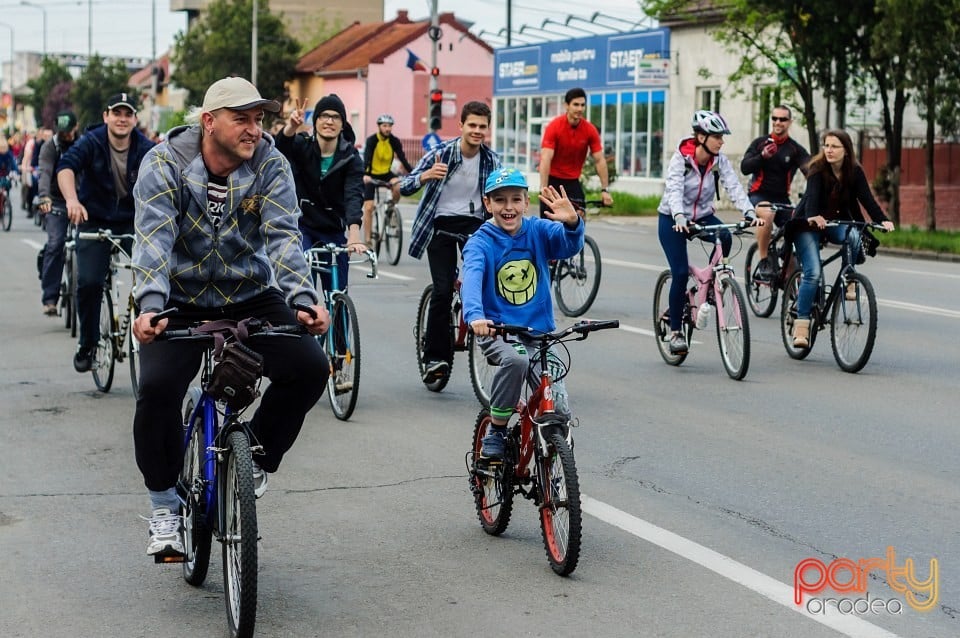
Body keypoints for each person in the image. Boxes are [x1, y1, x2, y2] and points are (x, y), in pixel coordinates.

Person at [131, 76, 331, 557]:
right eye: (241, 119)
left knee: (310, 368)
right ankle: (163, 506)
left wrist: (303, 300)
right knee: (157, 389)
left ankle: (256, 454)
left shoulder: (271, 166)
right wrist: (151, 305)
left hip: (250, 293)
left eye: (259, 119)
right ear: (209, 121)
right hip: (179, 297)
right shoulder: (164, 164)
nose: (253, 130)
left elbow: (284, 237)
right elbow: (153, 241)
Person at [462, 169, 583, 458]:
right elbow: (472, 279)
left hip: (538, 333)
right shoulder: (481, 241)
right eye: (500, 200)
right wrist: (476, 317)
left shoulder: (538, 230)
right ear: (487, 203)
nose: (508, 207)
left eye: (516, 199)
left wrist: (573, 223)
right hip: (499, 331)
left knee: (559, 404)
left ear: (525, 203)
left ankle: (553, 465)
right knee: (516, 360)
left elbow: (568, 244)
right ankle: (498, 429)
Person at [401, 100, 501, 382]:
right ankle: (435, 358)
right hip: (441, 226)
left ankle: (494, 343)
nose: (477, 131)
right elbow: (405, 185)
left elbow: (503, 195)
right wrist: (425, 175)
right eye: (472, 125)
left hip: (475, 226)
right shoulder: (441, 153)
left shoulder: (492, 161)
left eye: (483, 126)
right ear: (461, 126)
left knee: (487, 284)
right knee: (443, 291)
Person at [58, 92, 155, 373]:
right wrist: (72, 200)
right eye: (117, 113)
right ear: (106, 117)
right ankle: (87, 342)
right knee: (89, 282)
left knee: (157, 276)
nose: (122, 119)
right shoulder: (91, 141)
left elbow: (168, 173)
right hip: (94, 219)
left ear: (135, 119)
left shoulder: (146, 148)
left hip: (132, 221)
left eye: (128, 114)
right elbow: (66, 168)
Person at [657, 110, 762, 355]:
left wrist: (749, 212)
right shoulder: (681, 159)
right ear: (701, 137)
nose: (721, 141)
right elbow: (673, 190)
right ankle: (675, 334)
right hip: (672, 219)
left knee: (725, 235)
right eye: (717, 136)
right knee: (680, 272)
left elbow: (734, 187)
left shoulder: (719, 161)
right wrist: (679, 216)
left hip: (702, 215)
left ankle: (713, 280)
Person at [789, 129, 894, 348]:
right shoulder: (817, 169)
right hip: (807, 224)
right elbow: (811, 200)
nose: (829, 150)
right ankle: (801, 325)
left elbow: (867, 200)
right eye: (826, 145)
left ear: (846, 150)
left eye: (834, 146)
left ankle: (849, 279)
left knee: (854, 235)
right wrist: (813, 216)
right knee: (813, 273)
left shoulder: (854, 171)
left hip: (833, 223)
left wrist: (882, 220)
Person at [276, 94, 366, 292]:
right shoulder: (302, 145)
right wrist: (291, 126)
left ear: (343, 124)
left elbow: (354, 194)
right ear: (315, 121)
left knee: (338, 291)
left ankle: (339, 319)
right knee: (303, 286)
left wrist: (354, 235)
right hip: (304, 226)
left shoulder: (351, 157)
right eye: (323, 116)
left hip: (334, 228)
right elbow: (280, 150)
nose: (329, 121)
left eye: (335, 117)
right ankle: (302, 317)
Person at [740, 104, 810, 278]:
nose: (778, 122)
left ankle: (792, 285)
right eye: (775, 118)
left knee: (799, 225)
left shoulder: (794, 149)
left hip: (782, 198)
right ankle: (764, 260)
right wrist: (762, 156)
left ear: (790, 122)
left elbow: (811, 171)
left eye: (783, 119)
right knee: (768, 214)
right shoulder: (760, 143)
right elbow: (744, 168)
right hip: (758, 195)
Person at [538, 87, 613, 214]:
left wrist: (604, 190)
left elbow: (600, 160)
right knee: (548, 228)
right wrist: (544, 188)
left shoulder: (589, 130)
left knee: (579, 219)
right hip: (553, 181)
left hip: (573, 182)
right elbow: (545, 159)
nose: (579, 109)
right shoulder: (554, 127)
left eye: (582, 105)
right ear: (566, 106)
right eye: (576, 105)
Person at [37, 111, 80, 316]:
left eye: (69, 132)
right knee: (55, 244)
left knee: (90, 244)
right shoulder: (50, 147)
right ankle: (50, 298)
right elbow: (44, 172)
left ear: (76, 127)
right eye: (63, 133)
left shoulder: (84, 144)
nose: (66, 136)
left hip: (82, 202)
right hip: (56, 201)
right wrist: (44, 197)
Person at [362, 114, 413, 245]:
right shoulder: (372, 140)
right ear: (379, 126)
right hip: (371, 174)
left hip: (386, 173)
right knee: (368, 207)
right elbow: (367, 158)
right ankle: (368, 239)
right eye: (384, 126)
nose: (387, 129)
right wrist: (365, 174)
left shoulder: (394, 141)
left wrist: (413, 173)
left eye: (389, 126)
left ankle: (391, 209)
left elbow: (402, 158)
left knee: (398, 186)